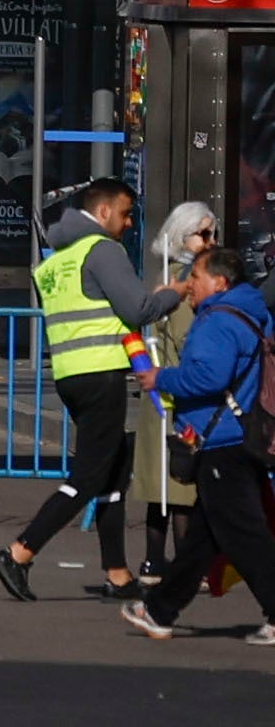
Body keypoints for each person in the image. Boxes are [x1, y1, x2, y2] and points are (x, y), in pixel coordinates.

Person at [0, 177, 151, 601]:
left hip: (71, 374)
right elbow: (137, 307)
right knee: (88, 477)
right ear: (103, 213)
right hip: (101, 374)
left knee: (115, 473)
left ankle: (117, 573)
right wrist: (178, 290)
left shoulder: (55, 260)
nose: (129, 223)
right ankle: (20, 551)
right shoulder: (103, 251)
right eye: (125, 213)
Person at [123, 238, 275, 643]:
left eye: (196, 276)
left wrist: (162, 378)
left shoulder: (217, 321)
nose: (190, 284)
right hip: (242, 435)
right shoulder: (252, 313)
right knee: (204, 541)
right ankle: (159, 610)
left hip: (223, 439)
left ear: (220, 282)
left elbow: (208, 378)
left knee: (245, 537)